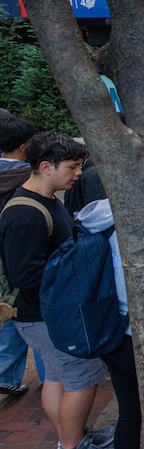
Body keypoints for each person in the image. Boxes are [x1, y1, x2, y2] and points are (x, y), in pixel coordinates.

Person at [0, 131, 115, 449]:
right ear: (46, 167)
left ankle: (74, 436)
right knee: (81, 378)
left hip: (45, 314)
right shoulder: (25, 214)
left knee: (57, 377)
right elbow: (27, 276)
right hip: (45, 316)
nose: (78, 173)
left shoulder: (46, 202)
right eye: (73, 166)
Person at [77, 199, 142, 449]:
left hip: (104, 327)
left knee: (129, 407)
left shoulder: (92, 224)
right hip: (127, 330)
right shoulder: (121, 231)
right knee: (137, 407)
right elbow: (125, 287)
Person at [0, 114, 44, 396]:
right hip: (22, 257)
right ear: (26, 145)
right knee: (36, 321)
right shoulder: (28, 178)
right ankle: (52, 381)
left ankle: (5, 376)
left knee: (7, 315)